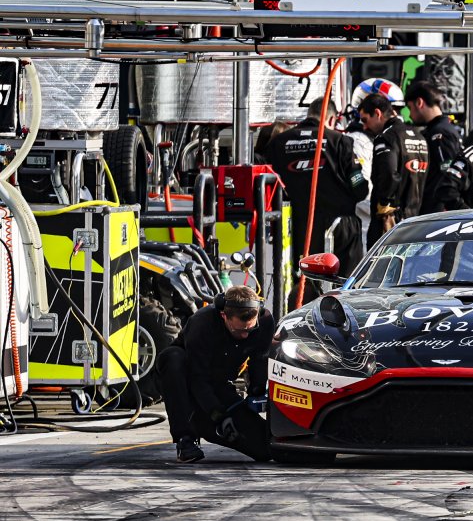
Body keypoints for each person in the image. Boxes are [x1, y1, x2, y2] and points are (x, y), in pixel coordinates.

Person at [155, 286, 274, 463]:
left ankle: (204, 424)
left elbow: (261, 360)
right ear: (224, 315)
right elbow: (198, 378)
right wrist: (218, 415)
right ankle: (185, 438)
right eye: (238, 330)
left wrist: (256, 393)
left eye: (249, 330)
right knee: (173, 357)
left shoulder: (264, 322)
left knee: (265, 449)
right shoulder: (202, 324)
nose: (244, 335)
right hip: (186, 382)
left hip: (220, 384)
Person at [267, 97, 369, 278]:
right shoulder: (341, 142)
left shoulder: (278, 143)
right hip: (338, 226)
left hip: (293, 228)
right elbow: (360, 188)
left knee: (299, 282)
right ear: (332, 119)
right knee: (345, 283)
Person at [359, 93, 428, 249]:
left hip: (390, 222)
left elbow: (389, 174)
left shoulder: (386, 137)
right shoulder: (419, 136)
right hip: (416, 220)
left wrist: (385, 204)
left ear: (377, 113)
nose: (364, 127)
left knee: (380, 263)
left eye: (365, 120)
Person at [405, 81, 464, 215]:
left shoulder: (439, 133)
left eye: (410, 108)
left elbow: (447, 175)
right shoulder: (443, 130)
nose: (409, 115)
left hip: (436, 211)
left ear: (419, 103)